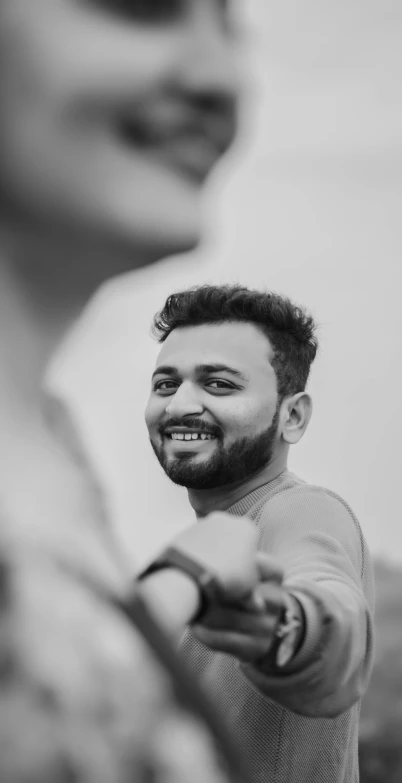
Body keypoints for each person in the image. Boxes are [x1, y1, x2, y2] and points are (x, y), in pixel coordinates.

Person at [0, 2, 255, 782]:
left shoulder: (48, 442)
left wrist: (177, 583)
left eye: (230, 24)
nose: (221, 75)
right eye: (142, 6)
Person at [142, 284, 375, 783]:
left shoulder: (302, 510)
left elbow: (332, 613)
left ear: (292, 416)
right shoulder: (204, 559)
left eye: (219, 385)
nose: (180, 404)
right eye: (165, 384)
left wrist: (283, 627)